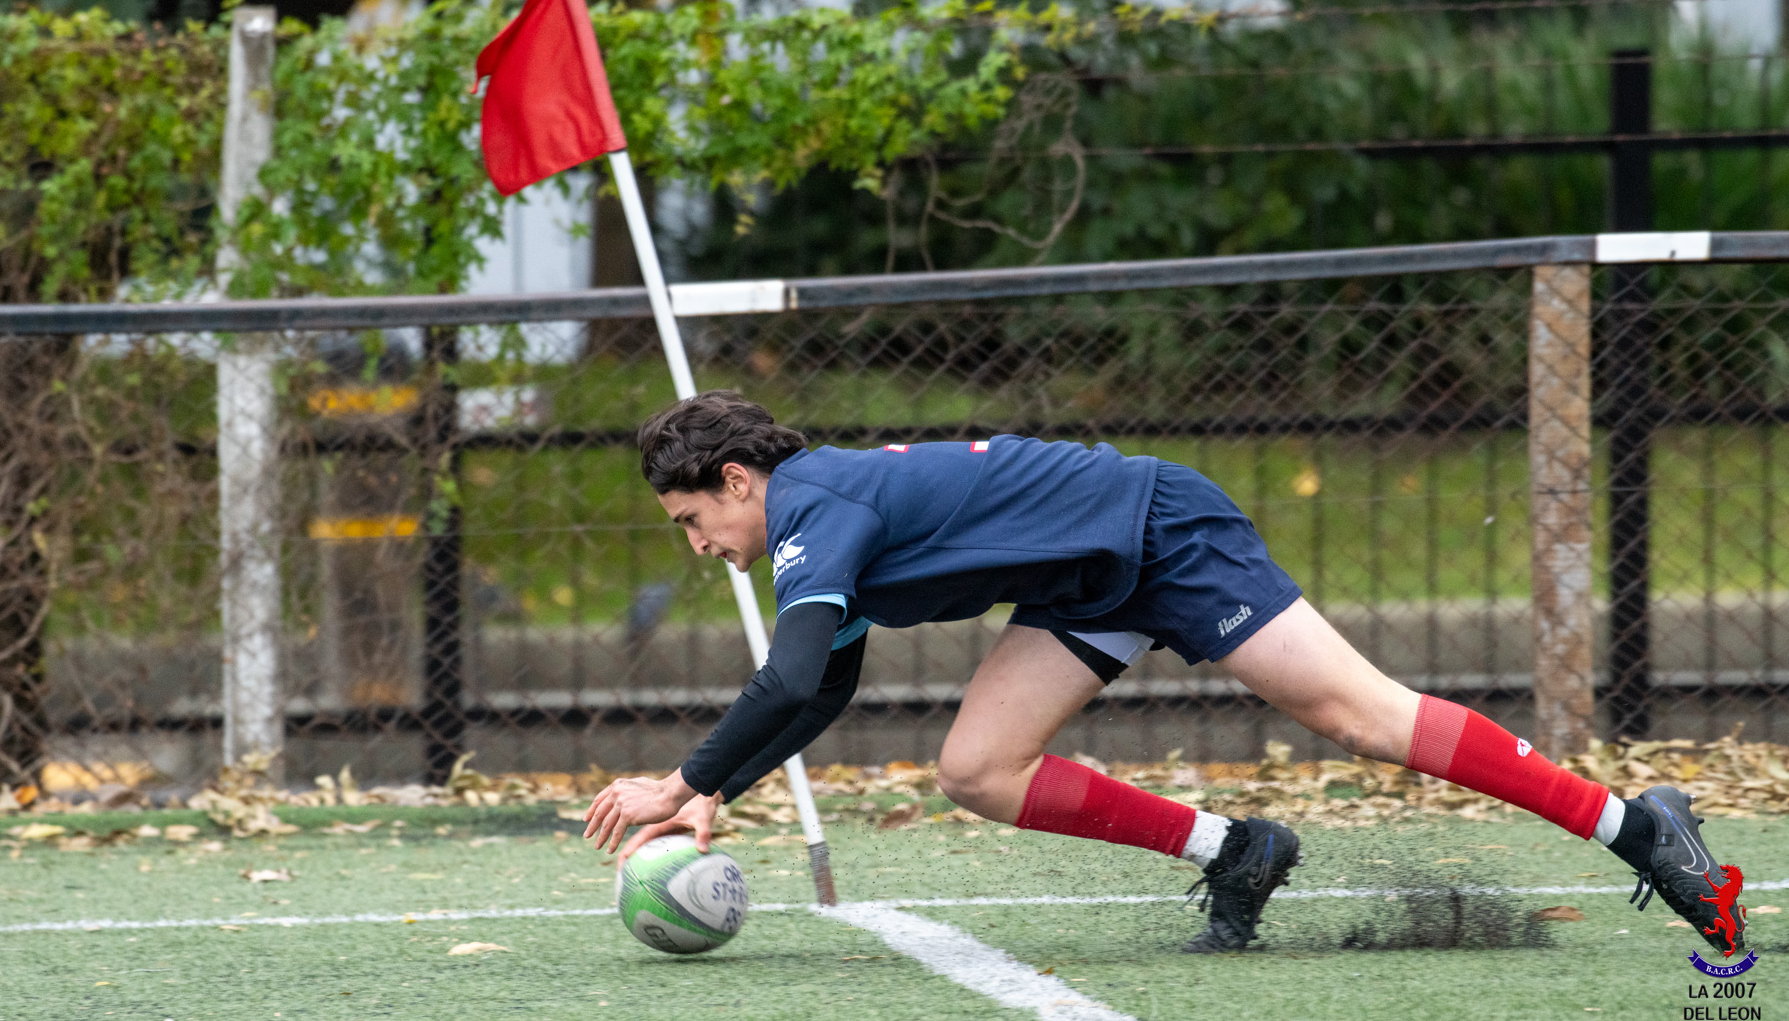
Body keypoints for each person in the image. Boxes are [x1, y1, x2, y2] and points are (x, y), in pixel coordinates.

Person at [585, 391, 1746, 955]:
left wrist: (673, 779)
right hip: (1087, 586)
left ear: (739, 481)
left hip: (1161, 533)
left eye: (693, 519)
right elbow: (821, 687)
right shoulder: (820, 513)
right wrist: (713, 790)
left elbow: (786, 682)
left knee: (1361, 717)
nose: (697, 548)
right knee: (978, 768)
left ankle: (1641, 827)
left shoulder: (807, 509)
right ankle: (1237, 851)